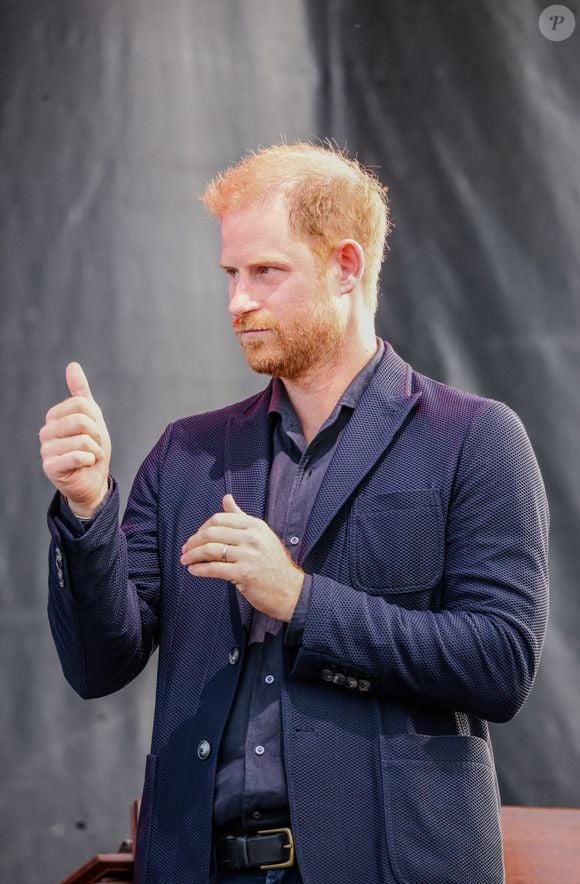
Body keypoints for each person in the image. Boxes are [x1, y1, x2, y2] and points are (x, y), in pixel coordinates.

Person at [40, 143, 549, 884]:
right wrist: (87, 511)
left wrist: (301, 600)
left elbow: (499, 662)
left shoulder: (473, 438)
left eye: (265, 272)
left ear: (346, 267)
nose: (237, 301)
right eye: (231, 274)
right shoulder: (187, 453)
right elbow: (97, 664)